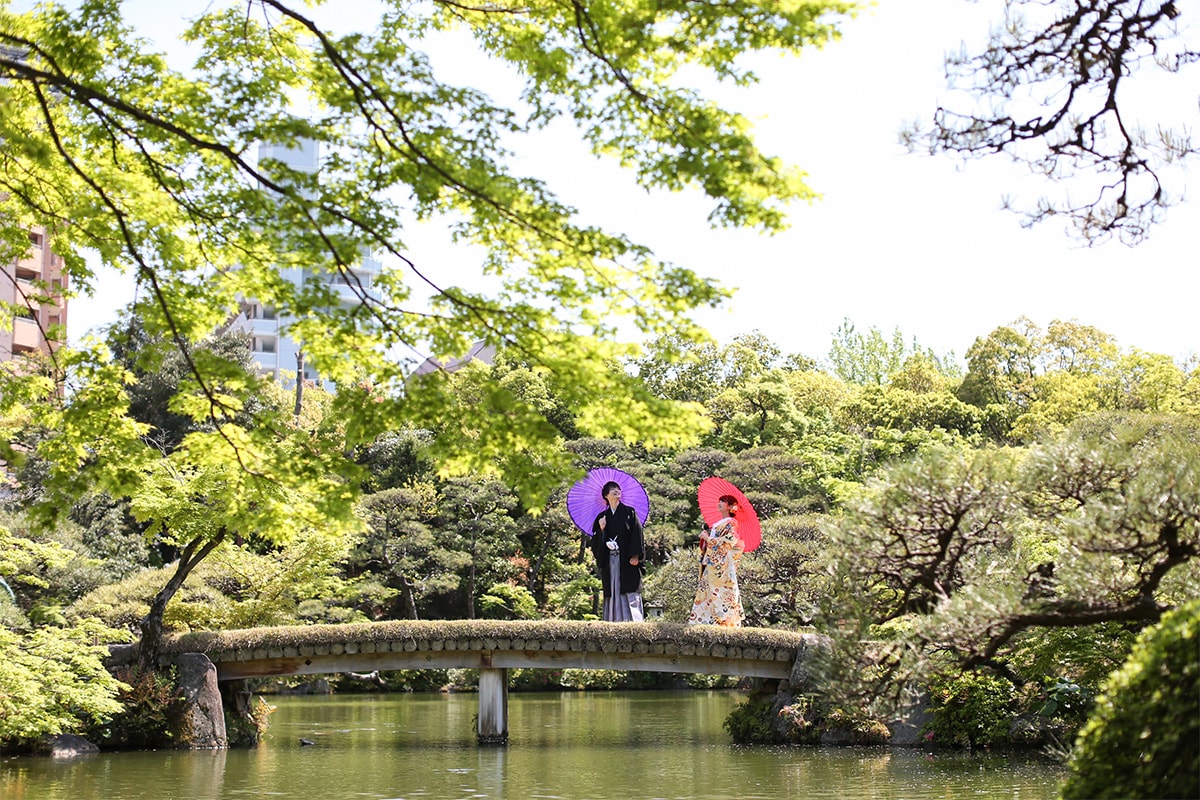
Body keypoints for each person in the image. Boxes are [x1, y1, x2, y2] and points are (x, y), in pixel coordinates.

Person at [590, 480, 646, 622]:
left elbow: (637, 534)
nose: (616, 491)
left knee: (629, 588)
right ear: (606, 495)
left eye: (618, 489)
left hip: (627, 560)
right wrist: (602, 530)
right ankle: (613, 621)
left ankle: (633, 622)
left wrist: (635, 555)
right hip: (610, 560)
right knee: (613, 588)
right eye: (612, 489)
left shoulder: (629, 512)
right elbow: (595, 543)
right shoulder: (602, 518)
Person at [687, 494, 745, 627]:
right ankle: (703, 620)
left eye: (723, 501)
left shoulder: (732, 523)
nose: (719, 503)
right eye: (719, 501)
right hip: (713, 562)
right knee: (707, 589)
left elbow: (728, 542)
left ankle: (723, 620)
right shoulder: (718, 524)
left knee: (723, 591)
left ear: (730, 507)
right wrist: (705, 540)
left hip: (723, 565)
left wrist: (708, 539)